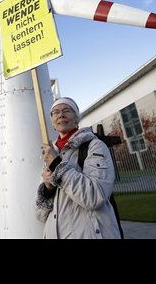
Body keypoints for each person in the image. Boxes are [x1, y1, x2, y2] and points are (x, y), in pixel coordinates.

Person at [35, 97, 121, 238]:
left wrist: (57, 164)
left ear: (77, 118)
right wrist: (47, 188)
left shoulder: (94, 146)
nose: (61, 115)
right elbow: (40, 214)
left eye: (66, 111)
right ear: (52, 122)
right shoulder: (51, 153)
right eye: (55, 112)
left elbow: (94, 197)